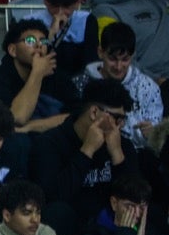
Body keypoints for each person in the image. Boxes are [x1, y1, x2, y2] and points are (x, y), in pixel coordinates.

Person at [28, 79, 142, 221]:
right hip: (69, 226)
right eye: (116, 118)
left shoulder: (121, 145)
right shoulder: (49, 143)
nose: (119, 126)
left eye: (122, 120)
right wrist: (87, 151)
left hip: (110, 225)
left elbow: (134, 198)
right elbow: (50, 197)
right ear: (94, 112)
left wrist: (117, 155)